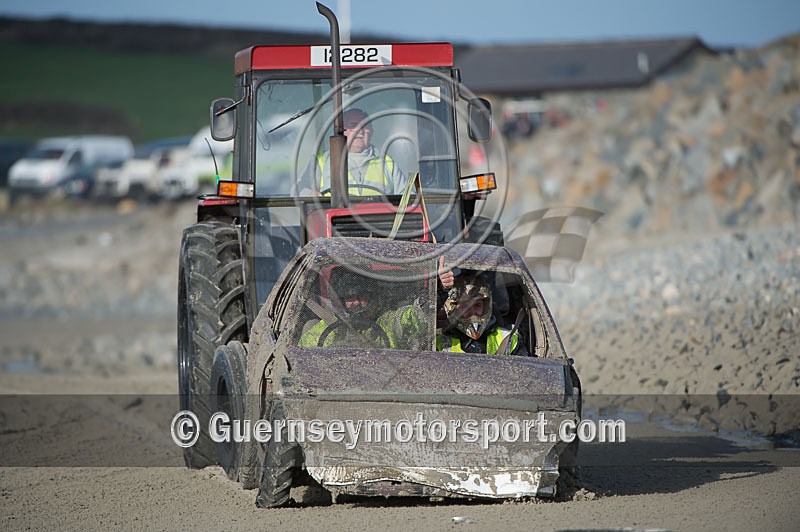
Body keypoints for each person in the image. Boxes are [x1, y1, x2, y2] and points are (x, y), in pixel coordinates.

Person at [298, 267, 426, 349]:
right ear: (339, 301)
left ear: (371, 296)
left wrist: (424, 305)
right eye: (349, 297)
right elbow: (301, 361)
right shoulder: (320, 332)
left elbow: (406, 318)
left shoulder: (385, 323)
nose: (356, 302)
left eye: (361, 296)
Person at [301, 108, 408, 196]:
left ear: (371, 130)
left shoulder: (388, 164)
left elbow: (407, 198)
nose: (359, 131)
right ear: (342, 131)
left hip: (379, 221)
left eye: (364, 126)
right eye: (352, 126)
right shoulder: (322, 161)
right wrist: (310, 194)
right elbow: (299, 190)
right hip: (333, 220)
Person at [436, 270, 523, 355]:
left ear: (486, 306)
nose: (473, 312)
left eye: (477, 305)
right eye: (465, 306)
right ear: (452, 308)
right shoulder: (438, 343)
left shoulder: (509, 340)